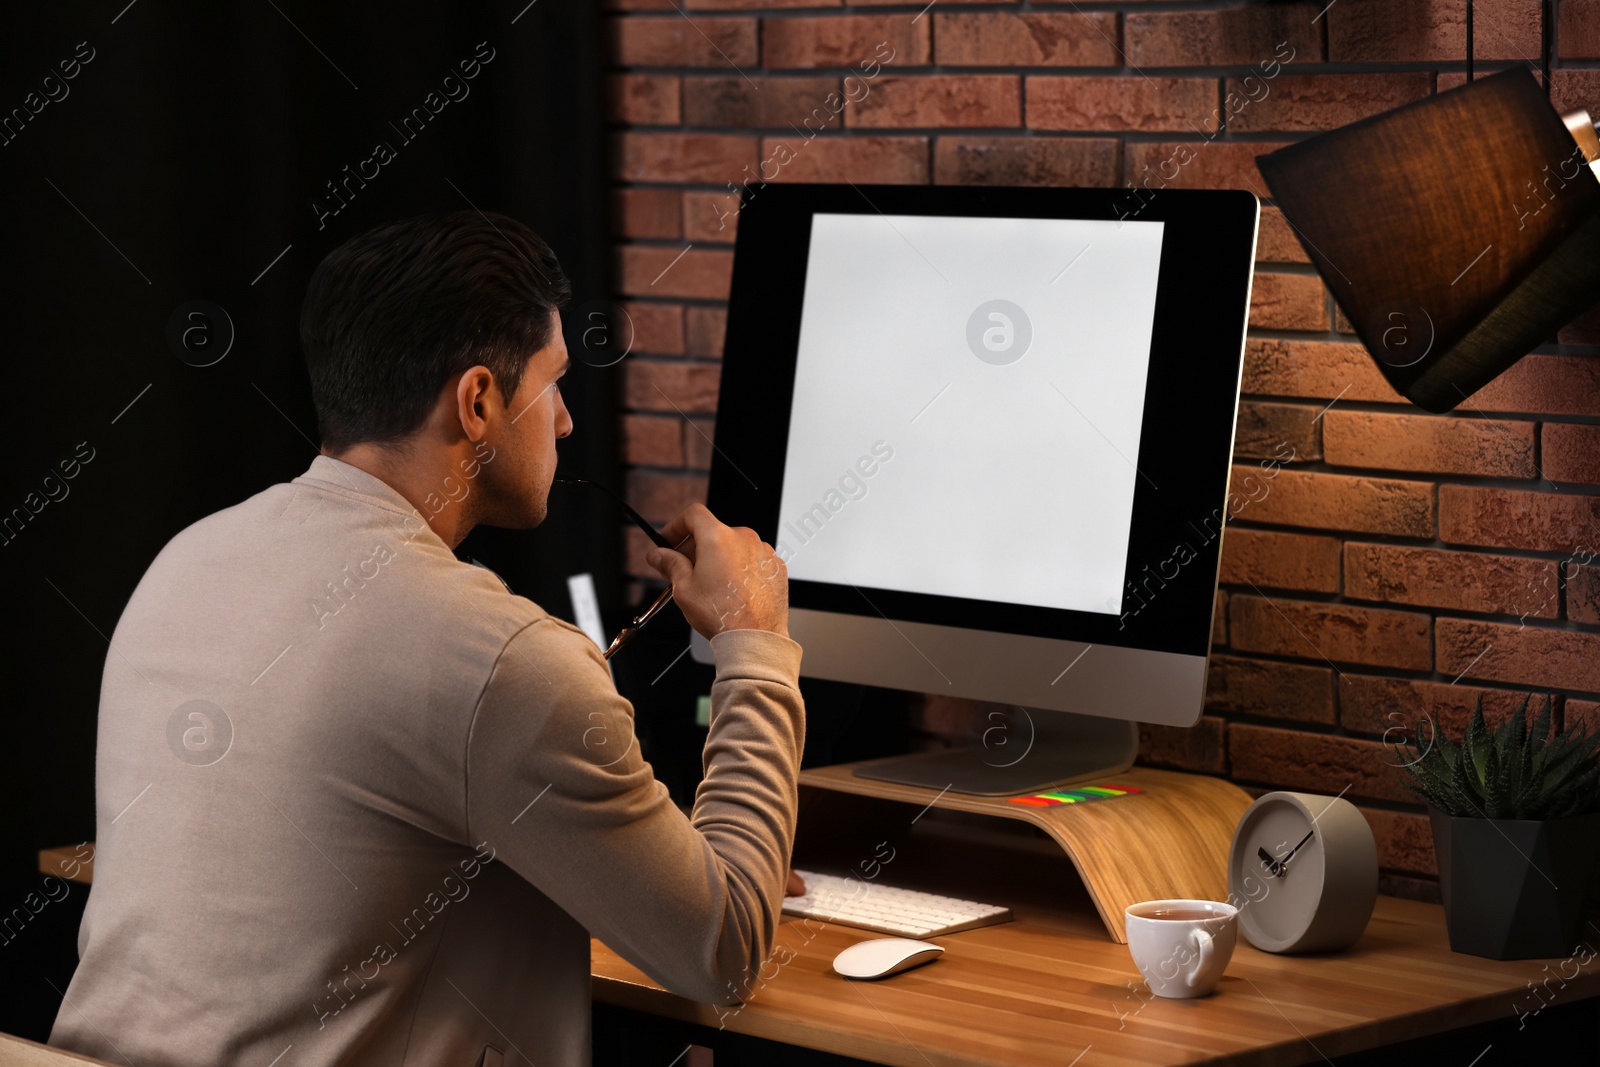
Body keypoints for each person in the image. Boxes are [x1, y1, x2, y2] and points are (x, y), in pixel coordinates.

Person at [49, 210, 806, 1067]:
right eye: (554, 383)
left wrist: (656, 863)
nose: (563, 423)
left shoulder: (185, 561)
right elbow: (727, 951)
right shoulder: (501, 659)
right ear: (478, 401)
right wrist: (752, 637)